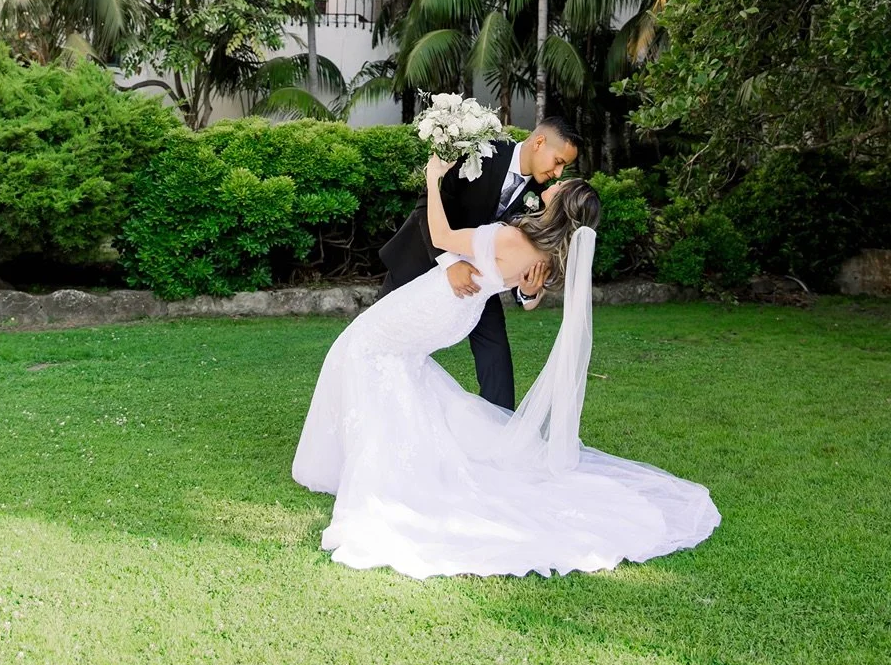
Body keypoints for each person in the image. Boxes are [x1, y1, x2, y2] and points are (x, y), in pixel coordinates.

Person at [291, 150, 721, 580]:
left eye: (560, 187)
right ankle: (363, 454)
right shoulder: (548, 257)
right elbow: (528, 298)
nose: (552, 185)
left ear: (563, 206)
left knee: (361, 348)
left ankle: (366, 463)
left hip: (437, 302)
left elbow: (440, 235)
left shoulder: (512, 240)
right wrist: (528, 292)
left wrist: (431, 178)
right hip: (458, 310)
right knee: (392, 365)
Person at [377, 116, 580, 410]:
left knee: (496, 356)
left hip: (479, 284)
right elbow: (427, 205)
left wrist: (528, 290)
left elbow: (521, 260)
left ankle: (500, 433)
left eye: (564, 168)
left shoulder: (545, 200)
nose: (558, 172)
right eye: (558, 161)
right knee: (381, 342)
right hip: (422, 260)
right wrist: (450, 263)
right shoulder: (482, 150)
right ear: (539, 143)